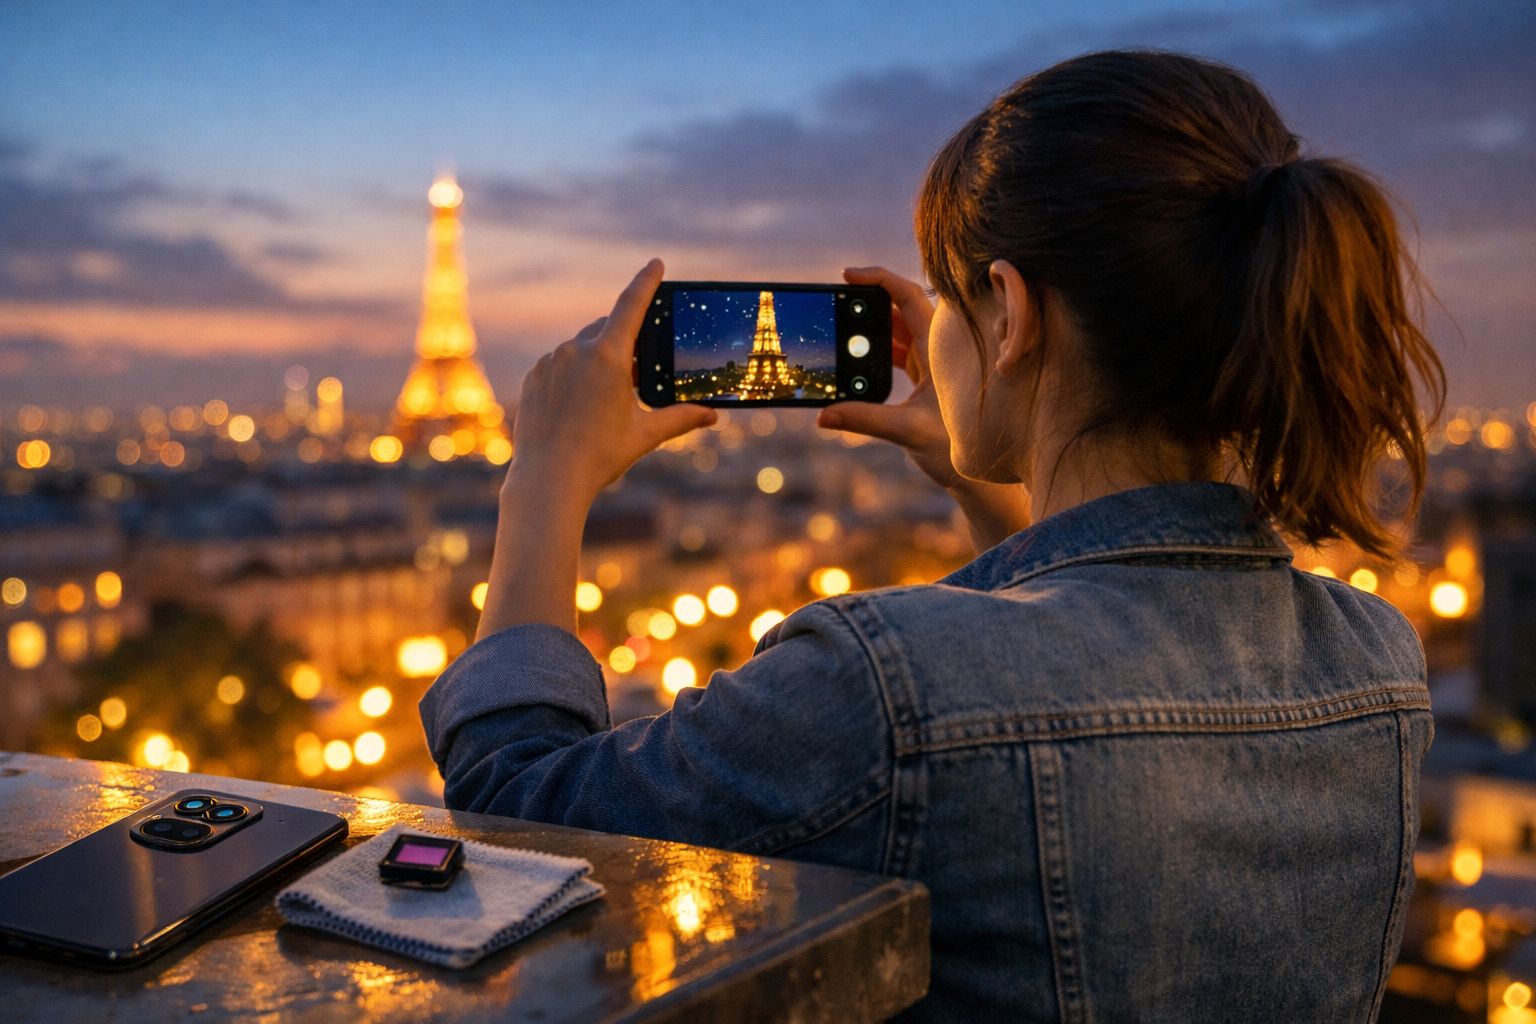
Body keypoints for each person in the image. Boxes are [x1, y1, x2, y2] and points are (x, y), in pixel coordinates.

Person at [420, 50, 1445, 1021]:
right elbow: (1092, 653)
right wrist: (995, 489)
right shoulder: (1377, 659)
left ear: (1009, 314)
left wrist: (544, 478)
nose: (936, 328)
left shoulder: (884, 684)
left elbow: (520, 817)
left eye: (949, 296)